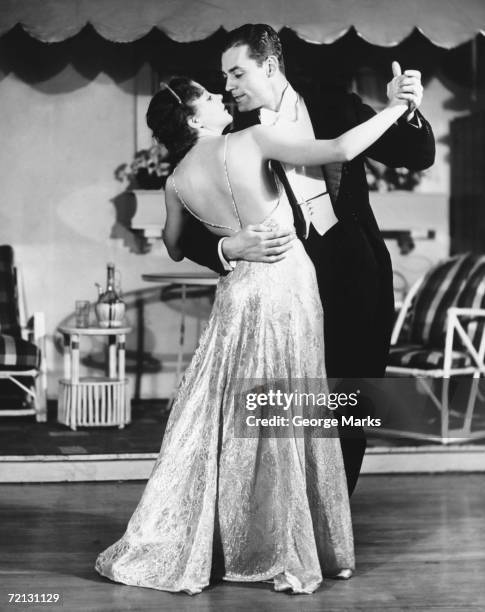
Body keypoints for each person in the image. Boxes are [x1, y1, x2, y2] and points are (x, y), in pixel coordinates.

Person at [95, 75, 412, 595]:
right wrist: (394, 108)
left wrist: (229, 245)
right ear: (196, 119)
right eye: (211, 97)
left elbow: (174, 246)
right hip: (286, 290)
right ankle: (291, 548)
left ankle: (231, 540)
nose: (224, 97)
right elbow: (339, 147)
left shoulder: (175, 181)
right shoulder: (250, 140)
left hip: (238, 295)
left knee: (223, 416)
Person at [177, 25, 436, 495]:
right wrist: (227, 248)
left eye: (237, 74)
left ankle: (334, 523)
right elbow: (186, 230)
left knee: (351, 402)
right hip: (281, 288)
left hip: (355, 275)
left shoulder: (333, 104)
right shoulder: (231, 133)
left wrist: (408, 109)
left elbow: (415, 156)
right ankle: (288, 522)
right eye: (225, 77)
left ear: (270, 67)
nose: (228, 87)